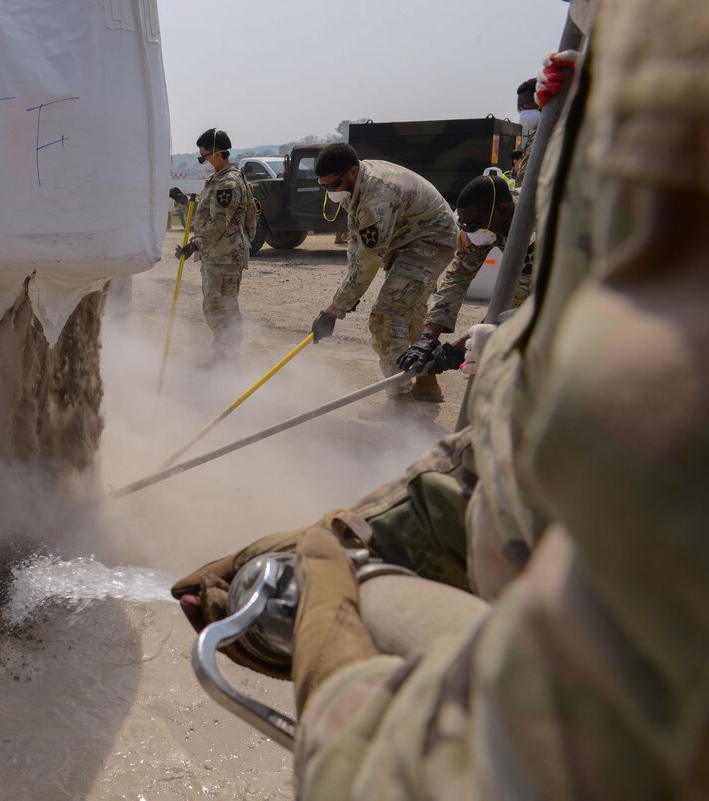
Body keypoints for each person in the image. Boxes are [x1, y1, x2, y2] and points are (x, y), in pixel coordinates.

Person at [174, 0, 709, 796]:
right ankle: (420, 379)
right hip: (531, 525)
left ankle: (409, 398)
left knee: (390, 313)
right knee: (425, 328)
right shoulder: (563, 160)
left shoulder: (387, 196)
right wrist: (369, 524)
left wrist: (335, 310)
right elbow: (512, 348)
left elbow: (369, 265)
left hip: (571, 706)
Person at [308, 143, 457, 402]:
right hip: (410, 240)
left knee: (385, 318)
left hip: (430, 243)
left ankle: (401, 403)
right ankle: (426, 385)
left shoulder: (377, 198)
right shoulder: (358, 183)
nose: (330, 191)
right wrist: (347, 297)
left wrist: (334, 310)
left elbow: (368, 263)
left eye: (333, 185)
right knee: (410, 314)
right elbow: (357, 247)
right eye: (324, 187)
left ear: (352, 171)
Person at [395, 174, 534, 381]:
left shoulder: (536, 231)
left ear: (502, 211)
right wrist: (429, 336)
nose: (470, 232)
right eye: (465, 225)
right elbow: (458, 277)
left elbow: (521, 301)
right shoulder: (481, 223)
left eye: (474, 225)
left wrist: (458, 349)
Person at [173, 128, 257, 365]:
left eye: (204, 156)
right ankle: (223, 356)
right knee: (215, 307)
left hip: (224, 256)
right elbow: (209, 211)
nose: (204, 162)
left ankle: (226, 361)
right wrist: (183, 201)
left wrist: (195, 245)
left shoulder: (227, 182)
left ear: (218, 153)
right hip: (219, 254)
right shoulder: (221, 178)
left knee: (221, 310)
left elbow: (220, 222)